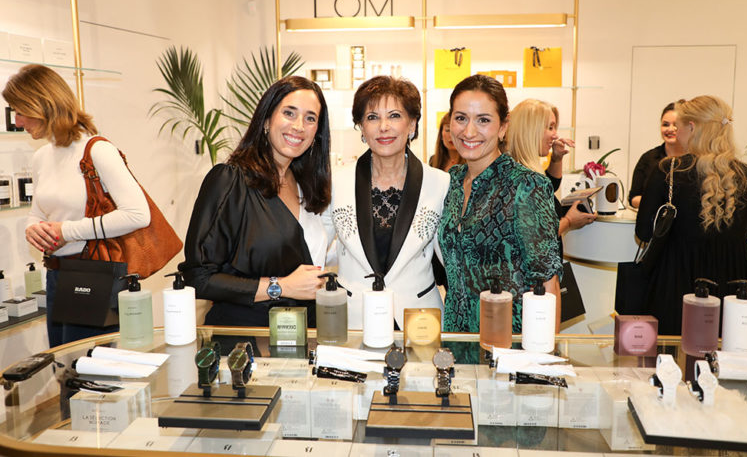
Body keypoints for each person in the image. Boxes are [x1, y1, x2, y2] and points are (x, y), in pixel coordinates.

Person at [2, 64, 151, 347]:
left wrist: (66, 231)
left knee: (87, 368)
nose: (18, 121)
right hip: (56, 273)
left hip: (93, 275)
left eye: (20, 111)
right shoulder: (42, 157)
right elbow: (38, 212)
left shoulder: (97, 150)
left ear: (42, 105)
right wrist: (33, 228)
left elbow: (138, 214)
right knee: (62, 362)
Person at [179, 76, 331, 327]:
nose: (299, 126)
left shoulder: (307, 185)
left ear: (317, 132)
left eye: (310, 118)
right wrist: (281, 287)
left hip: (299, 333)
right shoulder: (230, 181)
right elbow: (199, 278)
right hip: (246, 336)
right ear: (267, 120)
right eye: (289, 113)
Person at [438, 75, 563, 333]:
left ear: (503, 127)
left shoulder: (526, 186)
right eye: (461, 118)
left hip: (509, 341)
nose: (469, 131)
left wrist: (542, 350)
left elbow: (547, 283)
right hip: (456, 337)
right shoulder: (450, 182)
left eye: (483, 120)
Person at [326, 76, 449, 330]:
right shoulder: (336, 181)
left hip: (419, 319)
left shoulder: (440, 183)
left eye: (394, 116)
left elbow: (450, 260)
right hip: (353, 319)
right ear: (361, 127)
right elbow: (317, 249)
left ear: (412, 124)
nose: (383, 127)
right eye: (372, 117)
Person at [636, 95, 747, 335]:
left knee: (674, 352)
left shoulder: (667, 170)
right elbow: (745, 232)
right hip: (732, 288)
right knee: (729, 352)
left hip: (677, 284)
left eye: (679, 127)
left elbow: (644, 231)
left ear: (692, 127)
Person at [507, 99, 596, 257]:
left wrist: (556, 158)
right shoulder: (523, 178)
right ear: (531, 129)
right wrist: (568, 221)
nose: (555, 135)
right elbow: (537, 238)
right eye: (550, 127)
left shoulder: (520, 170)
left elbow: (550, 185)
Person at [629, 101, 685, 208]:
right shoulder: (648, 158)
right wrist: (659, 203)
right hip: (654, 217)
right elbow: (633, 198)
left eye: (676, 125)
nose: (670, 129)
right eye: (665, 124)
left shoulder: (696, 159)